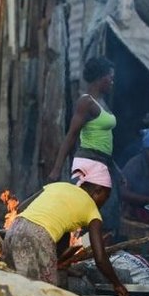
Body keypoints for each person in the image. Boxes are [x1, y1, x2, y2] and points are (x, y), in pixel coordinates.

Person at [5, 160, 129, 296]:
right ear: (98, 190)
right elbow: (100, 257)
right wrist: (117, 284)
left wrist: (60, 264)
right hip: (37, 237)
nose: (104, 203)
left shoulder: (59, 186)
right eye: (105, 197)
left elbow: (21, 208)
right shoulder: (92, 210)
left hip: (12, 232)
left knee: (15, 289)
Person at [48, 57, 120, 233]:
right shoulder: (86, 102)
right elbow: (71, 135)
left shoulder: (103, 102)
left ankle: (97, 254)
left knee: (106, 216)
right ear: (100, 78)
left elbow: (104, 141)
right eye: (110, 77)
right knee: (81, 214)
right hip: (88, 164)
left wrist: (117, 170)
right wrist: (56, 169)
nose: (112, 81)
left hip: (103, 163)